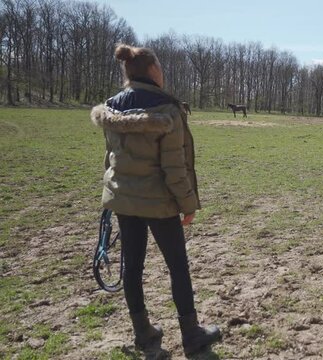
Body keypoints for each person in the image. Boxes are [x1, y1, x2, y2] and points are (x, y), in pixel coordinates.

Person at [90, 44, 221, 356]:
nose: (162, 71)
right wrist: (188, 205)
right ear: (151, 71)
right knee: (178, 266)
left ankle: (145, 338)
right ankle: (192, 335)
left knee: (132, 267)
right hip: (160, 203)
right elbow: (175, 168)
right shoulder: (168, 111)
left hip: (124, 201)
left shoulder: (111, 107)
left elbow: (111, 159)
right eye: (159, 66)